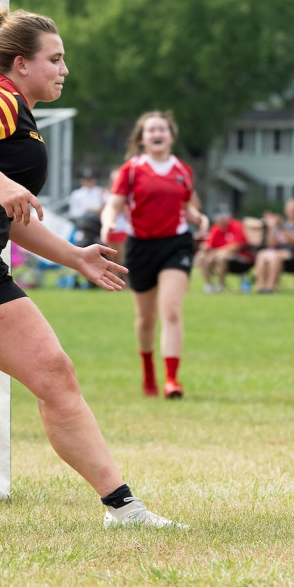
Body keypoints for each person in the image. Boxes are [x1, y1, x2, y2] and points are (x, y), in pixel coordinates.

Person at [0, 4, 183, 527]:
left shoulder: (21, 117)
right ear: (20, 63)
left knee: (55, 375)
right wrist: (1, 182)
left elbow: (10, 215)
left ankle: (123, 509)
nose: (64, 69)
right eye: (54, 59)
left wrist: (73, 256)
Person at [100, 110, 208, 400]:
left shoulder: (182, 170)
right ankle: (148, 370)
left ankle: (172, 380)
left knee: (171, 310)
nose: (157, 134)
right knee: (146, 318)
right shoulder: (132, 170)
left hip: (176, 244)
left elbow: (188, 205)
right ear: (142, 138)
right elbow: (114, 204)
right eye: (151, 130)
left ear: (171, 136)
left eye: (162, 129)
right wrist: (107, 222)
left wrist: (198, 217)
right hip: (141, 246)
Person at [255, 198, 294, 293]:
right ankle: (261, 288)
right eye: (290, 210)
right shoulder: (283, 224)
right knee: (262, 254)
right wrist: (272, 226)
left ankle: (271, 287)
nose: (292, 212)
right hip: (280, 253)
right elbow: (271, 245)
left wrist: (281, 227)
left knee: (275, 257)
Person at [197, 206, 252, 293]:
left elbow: (238, 245)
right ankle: (209, 285)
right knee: (202, 256)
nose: (222, 217)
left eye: (224, 214)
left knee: (221, 256)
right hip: (217, 255)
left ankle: (220, 285)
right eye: (219, 215)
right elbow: (209, 244)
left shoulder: (236, 225)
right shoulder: (216, 228)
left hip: (240, 258)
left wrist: (219, 251)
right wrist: (204, 247)